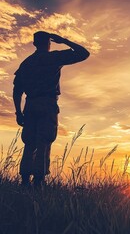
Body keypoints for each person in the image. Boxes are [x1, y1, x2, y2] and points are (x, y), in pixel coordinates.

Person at [13, 31, 89, 187]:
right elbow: (83, 53)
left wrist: (18, 112)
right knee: (44, 141)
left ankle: (25, 180)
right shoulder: (53, 58)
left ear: (35, 43)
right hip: (47, 103)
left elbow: (17, 90)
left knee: (29, 143)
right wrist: (64, 40)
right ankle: (38, 182)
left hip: (30, 105)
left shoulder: (26, 63)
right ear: (49, 42)